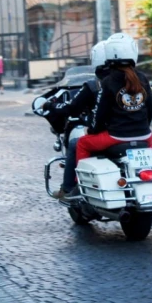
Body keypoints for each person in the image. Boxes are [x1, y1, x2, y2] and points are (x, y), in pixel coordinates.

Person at [75, 33, 152, 166]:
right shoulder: (142, 78)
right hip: (145, 135)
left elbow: (100, 113)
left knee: (82, 143)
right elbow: (150, 109)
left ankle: (78, 182)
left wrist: (93, 130)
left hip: (117, 136)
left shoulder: (108, 81)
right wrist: (143, 127)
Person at [44, 41, 110, 200]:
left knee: (77, 143)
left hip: (112, 135)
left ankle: (70, 188)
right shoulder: (135, 80)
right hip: (142, 134)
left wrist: (53, 107)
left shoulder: (100, 85)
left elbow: (94, 115)